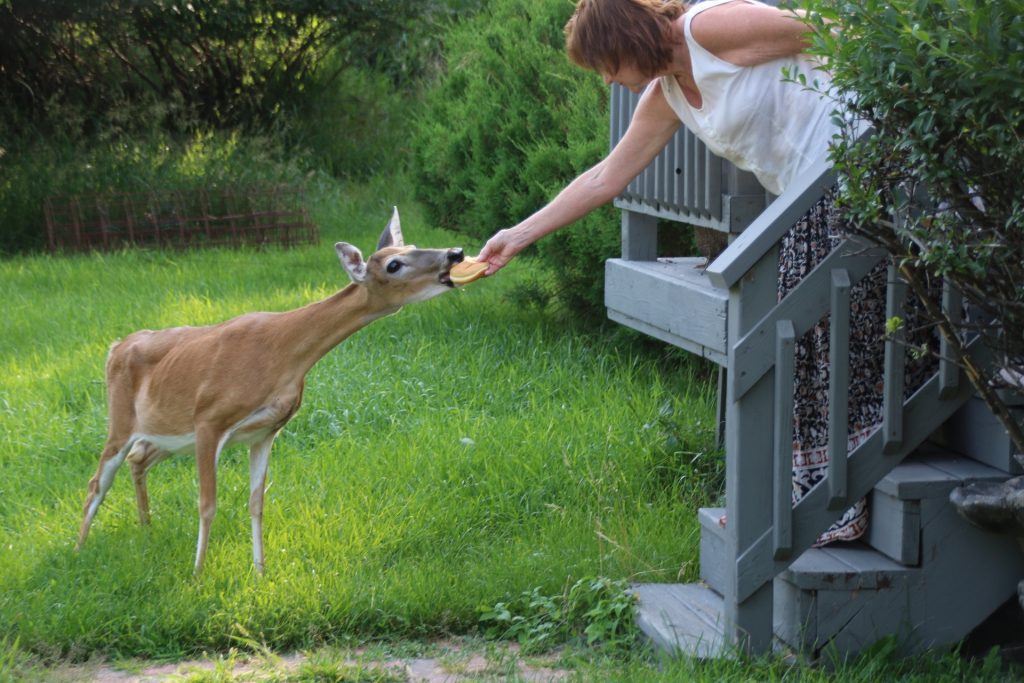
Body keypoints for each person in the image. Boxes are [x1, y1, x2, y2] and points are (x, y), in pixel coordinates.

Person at [477, 0, 936, 545]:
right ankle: (818, 491)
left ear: (626, 38)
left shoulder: (706, 27)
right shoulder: (667, 93)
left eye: (606, 64)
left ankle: (834, 491)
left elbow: (827, 31)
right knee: (792, 324)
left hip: (859, 160)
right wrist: (517, 237)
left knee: (797, 314)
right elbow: (605, 178)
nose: (606, 80)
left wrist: (913, 106)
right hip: (810, 195)